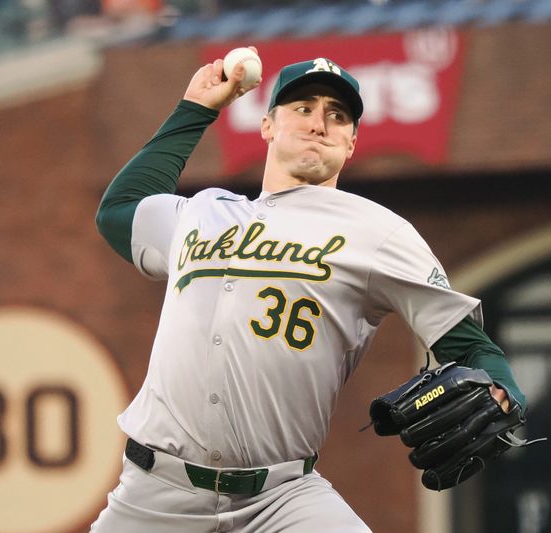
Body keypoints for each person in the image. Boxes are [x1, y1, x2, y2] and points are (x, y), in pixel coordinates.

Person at [91, 48, 526, 532]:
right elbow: (120, 210)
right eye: (302, 109)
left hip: (282, 500)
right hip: (155, 496)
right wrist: (196, 108)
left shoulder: (379, 232)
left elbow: (471, 347)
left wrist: (504, 390)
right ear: (267, 126)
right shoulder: (202, 211)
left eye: (337, 116)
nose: (319, 123)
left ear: (352, 143)